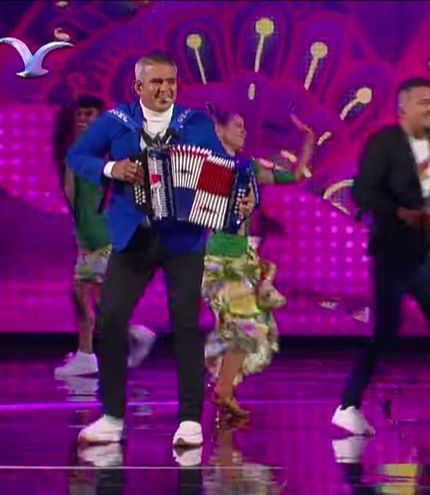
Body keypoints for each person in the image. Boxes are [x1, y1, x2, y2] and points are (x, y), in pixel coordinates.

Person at [68, 53, 228, 447]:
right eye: (156, 82)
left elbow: (223, 168)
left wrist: (233, 196)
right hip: (133, 237)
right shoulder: (117, 121)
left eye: (171, 82)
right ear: (138, 87)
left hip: (183, 237)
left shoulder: (194, 123)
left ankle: (189, 421)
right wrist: (112, 169)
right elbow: (79, 156)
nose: (165, 89)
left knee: (186, 324)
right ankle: (112, 416)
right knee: (110, 319)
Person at [331, 77, 430, 438]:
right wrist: (401, 213)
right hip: (393, 255)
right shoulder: (384, 143)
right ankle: (348, 405)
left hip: (427, 256)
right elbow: (363, 192)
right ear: (403, 109)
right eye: (423, 102)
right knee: (386, 334)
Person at [202, 104, 315, 420]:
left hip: (241, 257)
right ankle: (222, 389)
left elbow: (293, 175)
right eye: (236, 125)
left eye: (244, 126)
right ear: (219, 130)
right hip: (220, 259)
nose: (243, 131)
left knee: (250, 327)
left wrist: (308, 139)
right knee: (245, 324)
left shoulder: (248, 167)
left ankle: (224, 389)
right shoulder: (210, 166)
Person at [53, 95, 156, 377]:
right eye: (80, 114)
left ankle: (94, 351)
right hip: (90, 235)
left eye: (90, 114)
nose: (83, 119)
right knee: (92, 298)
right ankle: (124, 338)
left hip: (101, 235)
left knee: (83, 294)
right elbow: (73, 199)